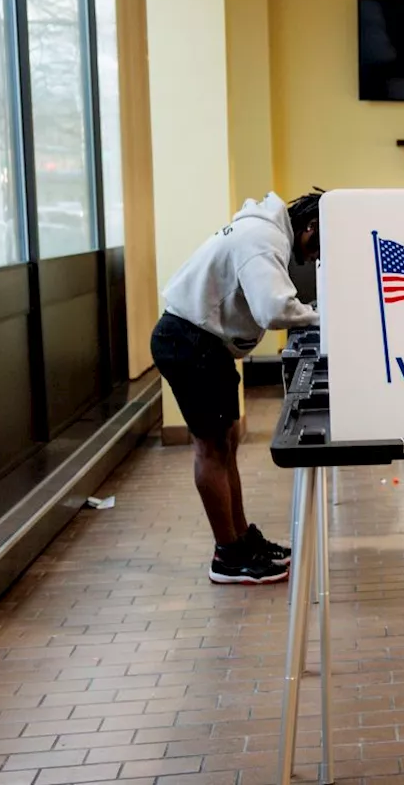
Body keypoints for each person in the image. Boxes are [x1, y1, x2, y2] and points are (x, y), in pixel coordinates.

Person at [151, 191, 321, 584]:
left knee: (226, 443)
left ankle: (241, 540)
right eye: (318, 249)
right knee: (210, 449)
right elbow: (274, 308)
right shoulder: (261, 238)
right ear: (309, 228)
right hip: (188, 342)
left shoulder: (264, 233)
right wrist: (319, 317)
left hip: (205, 344)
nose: (313, 259)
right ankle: (227, 555)